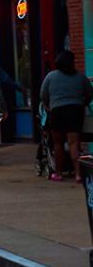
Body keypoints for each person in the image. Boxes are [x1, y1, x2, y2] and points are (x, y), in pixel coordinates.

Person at [41, 50, 93, 181]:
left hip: (57, 111)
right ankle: (78, 174)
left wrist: (49, 106)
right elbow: (90, 94)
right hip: (75, 111)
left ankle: (58, 173)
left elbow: (43, 95)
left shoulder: (50, 76)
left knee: (58, 143)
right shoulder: (80, 77)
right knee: (74, 143)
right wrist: (82, 103)